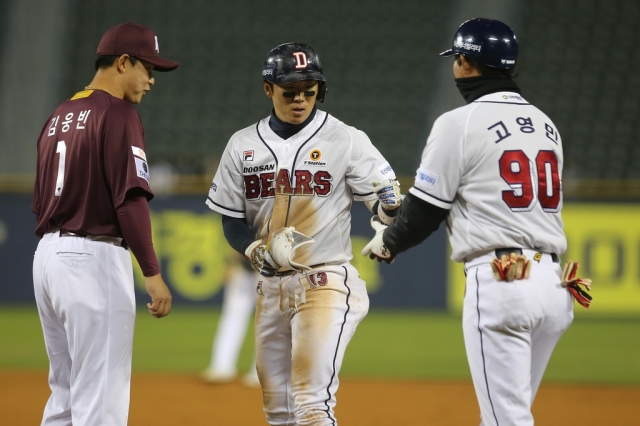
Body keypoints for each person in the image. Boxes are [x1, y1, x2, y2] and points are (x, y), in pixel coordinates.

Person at [362, 18, 592, 426]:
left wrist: (388, 242)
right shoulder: (545, 124)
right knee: (506, 415)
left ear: (465, 63)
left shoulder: (459, 123)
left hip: (504, 282)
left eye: (457, 59)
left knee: (506, 421)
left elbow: (426, 209)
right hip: (556, 286)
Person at [206, 42, 403, 425]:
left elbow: (385, 203)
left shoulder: (345, 138)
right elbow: (231, 219)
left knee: (311, 403)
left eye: (309, 92)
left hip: (323, 280)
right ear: (268, 89)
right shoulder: (242, 145)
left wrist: (390, 209)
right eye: (290, 92)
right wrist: (251, 250)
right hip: (269, 287)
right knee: (278, 411)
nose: (300, 100)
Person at [31, 22, 177, 425]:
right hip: (92, 259)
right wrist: (151, 271)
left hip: (47, 257)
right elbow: (129, 199)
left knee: (64, 394)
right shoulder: (118, 112)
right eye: (147, 68)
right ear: (123, 62)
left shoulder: (59, 114)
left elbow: (39, 200)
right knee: (101, 399)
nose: (150, 80)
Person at [200, 254, 260, 387]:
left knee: (269, 321)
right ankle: (221, 367)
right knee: (231, 319)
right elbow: (238, 236)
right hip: (242, 270)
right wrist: (229, 263)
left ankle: (263, 372)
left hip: (271, 271)